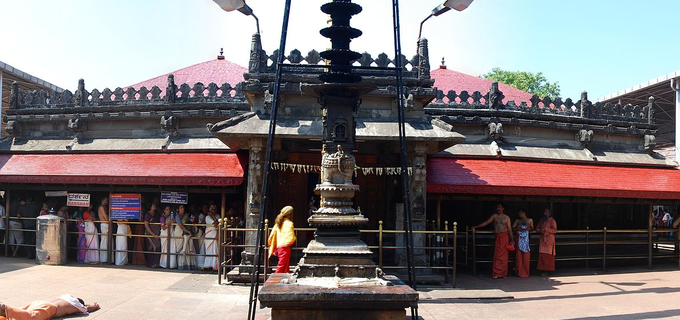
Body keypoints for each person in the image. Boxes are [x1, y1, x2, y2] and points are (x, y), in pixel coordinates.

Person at [472, 203, 514, 279]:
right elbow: (487, 222)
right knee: (497, 254)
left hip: (505, 237)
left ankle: (504, 273)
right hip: (498, 236)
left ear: (503, 208)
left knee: (504, 256)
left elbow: (510, 229)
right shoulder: (494, 216)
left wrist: (512, 240)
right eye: (497, 207)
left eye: (500, 207)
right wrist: (476, 226)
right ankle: (496, 273)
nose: (498, 208)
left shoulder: (507, 217)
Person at [0, 294, 99, 320]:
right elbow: (87, 308)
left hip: (40, 302)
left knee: (23, 310)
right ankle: (4, 307)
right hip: (50, 308)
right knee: (31, 316)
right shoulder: (77, 305)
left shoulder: (65, 297)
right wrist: (95, 306)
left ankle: (5, 311)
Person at [268, 206, 296, 273]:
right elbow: (291, 237)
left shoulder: (278, 223)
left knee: (285, 266)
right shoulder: (289, 224)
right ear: (290, 214)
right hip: (285, 247)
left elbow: (271, 236)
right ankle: (274, 281)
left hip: (279, 246)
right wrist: (295, 238)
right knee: (281, 266)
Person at [512, 209, 534, 278]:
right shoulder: (517, 221)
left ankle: (526, 272)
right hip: (519, 238)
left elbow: (532, 228)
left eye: (520, 212)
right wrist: (519, 229)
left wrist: (527, 229)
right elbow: (513, 228)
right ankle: (519, 272)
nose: (519, 214)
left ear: (524, 213)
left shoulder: (530, 220)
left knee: (526, 256)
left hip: (526, 239)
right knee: (519, 256)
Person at [173, 204, 196, 270]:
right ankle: (181, 265)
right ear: (178, 209)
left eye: (183, 207)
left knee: (188, 247)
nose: (183, 209)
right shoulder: (177, 216)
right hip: (179, 232)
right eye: (181, 207)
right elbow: (180, 225)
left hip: (187, 233)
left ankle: (188, 265)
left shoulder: (187, 215)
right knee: (181, 248)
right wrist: (188, 231)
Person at [536, 208, 557, 276]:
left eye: (546, 212)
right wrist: (540, 231)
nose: (545, 213)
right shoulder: (541, 220)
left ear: (549, 214)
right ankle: (543, 270)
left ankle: (548, 271)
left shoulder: (552, 221)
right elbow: (537, 228)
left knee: (548, 256)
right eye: (544, 212)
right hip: (542, 240)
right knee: (542, 255)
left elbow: (554, 230)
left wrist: (546, 229)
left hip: (549, 241)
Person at [144, 203, 161, 268]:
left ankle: (156, 263)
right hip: (150, 234)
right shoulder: (147, 215)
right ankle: (150, 263)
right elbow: (146, 225)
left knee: (157, 248)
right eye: (153, 205)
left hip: (157, 233)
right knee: (151, 248)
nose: (154, 206)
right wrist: (153, 235)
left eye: (155, 205)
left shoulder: (157, 213)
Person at [202, 205, 219, 270]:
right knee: (209, 250)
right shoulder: (207, 217)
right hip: (209, 235)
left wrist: (214, 217)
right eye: (212, 209)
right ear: (210, 210)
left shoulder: (217, 216)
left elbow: (218, 223)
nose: (213, 211)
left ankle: (215, 265)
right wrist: (214, 219)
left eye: (214, 209)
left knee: (215, 250)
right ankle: (208, 265)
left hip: (215, 234)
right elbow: (215, 223)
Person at [98, 197, 110, 264]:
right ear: (102, 200)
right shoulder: (101, 208)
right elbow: (106, 218)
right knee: (104, 241)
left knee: (107, 241)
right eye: (106, 200)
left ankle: (107, 258)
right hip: (104, 224)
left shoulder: (104, 207)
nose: (107, 201)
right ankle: (103, 259)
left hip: (106, 224)